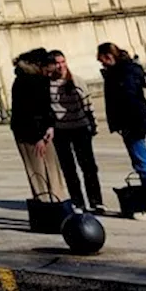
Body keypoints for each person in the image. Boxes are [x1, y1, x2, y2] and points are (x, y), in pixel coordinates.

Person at [98, 42, 146, 221]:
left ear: (108, 56)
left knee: (143, 163)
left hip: (133, 124)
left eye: (103, 61)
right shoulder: (126, 71)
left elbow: (128, 100)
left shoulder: (123, 73)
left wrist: (126, 124)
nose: (102, 65)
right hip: (133, 123)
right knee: (141, 163)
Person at [46, 50, 102, 213]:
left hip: (80, 128)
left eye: (63, 62)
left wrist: (93, 124)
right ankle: (78, 202)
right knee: (69, 169)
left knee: (88, 166)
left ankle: (96, 200)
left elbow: (88, 104)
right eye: (57, 63)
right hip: (61, 130)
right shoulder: (47, 84)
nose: (61, 66)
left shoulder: (76, 80)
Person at [10, 48, 68, 202]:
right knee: (38, 171)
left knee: (52, 167)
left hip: (42, 130)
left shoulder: (41, 78)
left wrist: (50, 126)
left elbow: (45, 107)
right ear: (40, 65)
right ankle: (45, 204)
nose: (50, 74)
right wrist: (37, 137)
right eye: (48, 71)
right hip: (27, 132)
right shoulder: (24, 81)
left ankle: (58, 199)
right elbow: (27, 112)